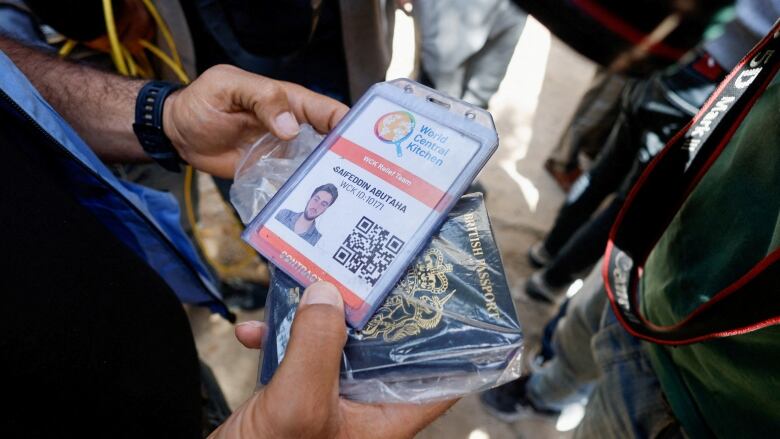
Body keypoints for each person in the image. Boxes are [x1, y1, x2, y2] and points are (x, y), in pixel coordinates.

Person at [0, 35, 453, 437]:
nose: (316, 205)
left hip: (170, 368)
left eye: (324, 204)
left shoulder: (311, 231)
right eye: (317, 200)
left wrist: (163, 115)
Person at [482, 15, 780, 437]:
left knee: (611, 190)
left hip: (698, 401)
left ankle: (550, 293)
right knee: (579, 327)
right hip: (655, 262)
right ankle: (545, 388)